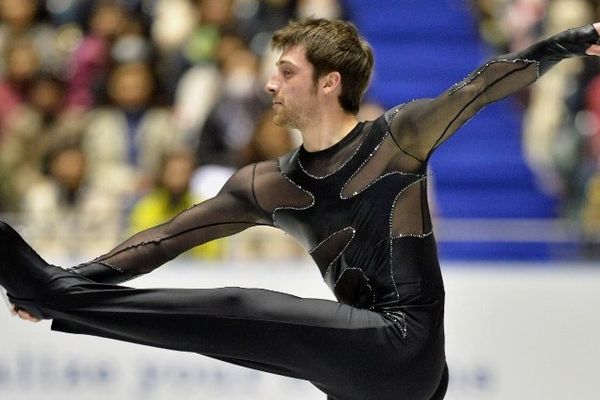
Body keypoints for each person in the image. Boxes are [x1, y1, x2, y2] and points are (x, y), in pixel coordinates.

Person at [2, 18, 600, 400]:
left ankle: (47, 291)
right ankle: (52, 294)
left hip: (407, 350)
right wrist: (74, 280)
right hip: (358, 375)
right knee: (222, 332)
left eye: (285, 72)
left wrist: (572, 43)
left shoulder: (397, 138)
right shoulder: (264, 184)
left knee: (241, 308)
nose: (270, 85)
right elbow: (160, 241)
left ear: (329, 83)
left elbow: (484, 86)